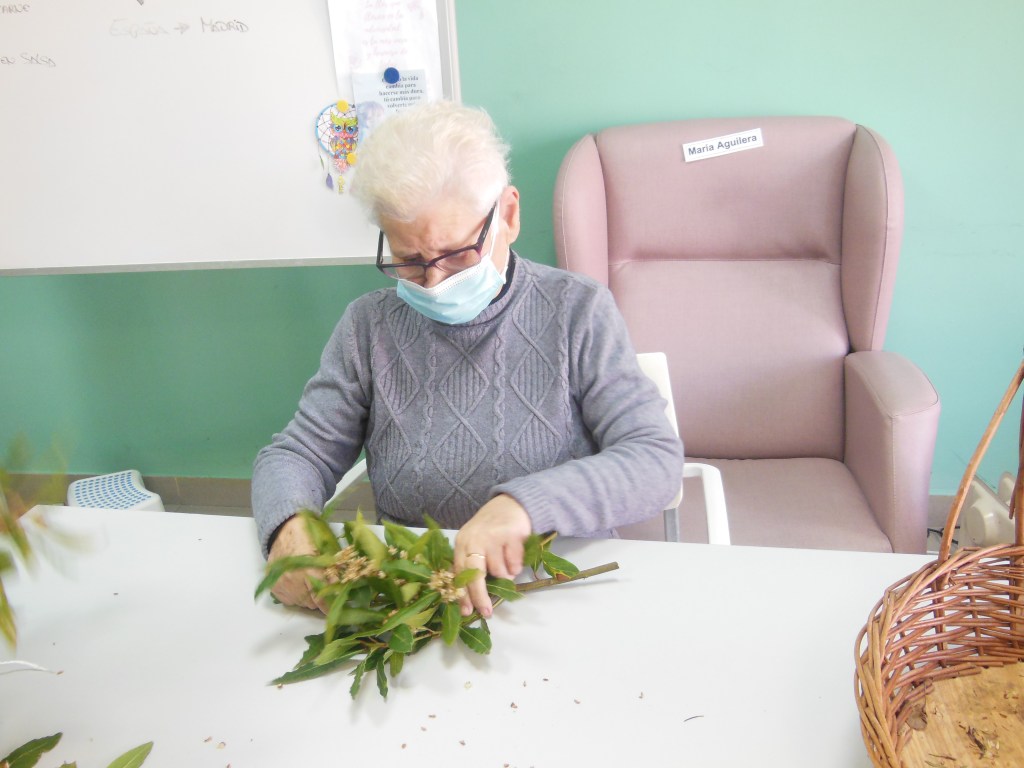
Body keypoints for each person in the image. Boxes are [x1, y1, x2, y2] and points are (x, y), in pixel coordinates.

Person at [251, 100, 683, 619]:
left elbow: (654, 461)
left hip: (554, 587)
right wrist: (288, 526)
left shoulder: (577, 310)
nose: (435, 282)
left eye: (457, 254)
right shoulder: (369, 326)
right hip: (417, 595)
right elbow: (298, 453)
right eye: (409, 261)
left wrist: (524, 506)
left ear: (509, 215)